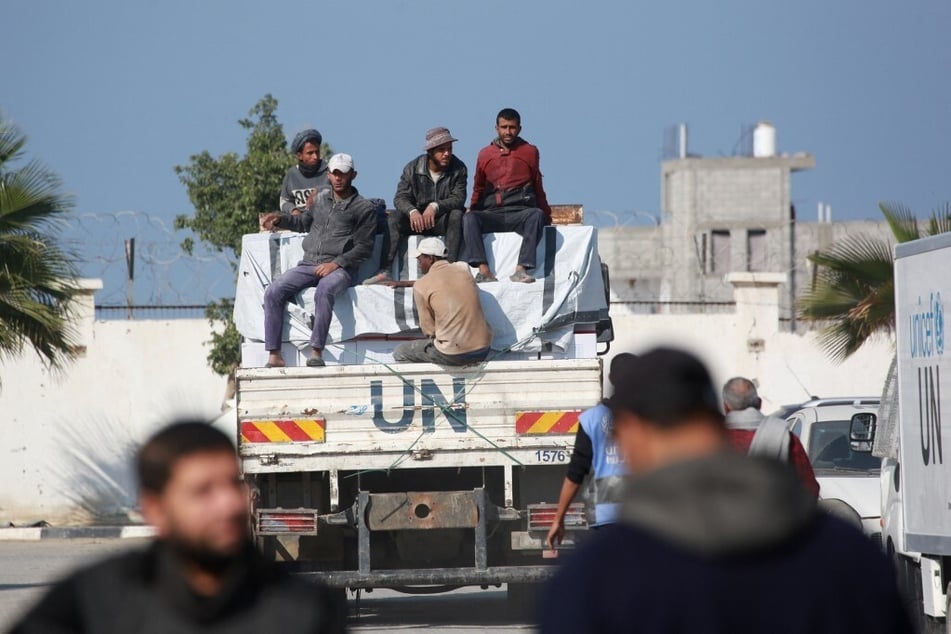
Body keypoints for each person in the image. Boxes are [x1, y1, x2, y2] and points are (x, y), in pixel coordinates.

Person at [539, 347, 910, 634]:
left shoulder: (594, 579)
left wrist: (558, 520)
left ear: (631, 432)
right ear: (715, 417)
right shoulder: (846, 555)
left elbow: (576, 472)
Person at [12, 421, 345, 633]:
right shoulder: (93, 600)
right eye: (203, 492)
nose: (229, 504)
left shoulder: (304, 610)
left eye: (233, 484)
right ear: (155, 509)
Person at [261, 153, 377, 368]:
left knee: (324, 291)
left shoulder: (363, 208)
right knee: (273, 292)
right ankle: (274, 355)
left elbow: (364, 248)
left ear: (353, 175)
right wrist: (281, 218)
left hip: (341, 268)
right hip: (309, 263)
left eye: (343, 173)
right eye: (334, 173)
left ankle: (316, 351)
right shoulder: (320, 198)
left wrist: (336, 264)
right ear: (328, 175)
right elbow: (304, 223)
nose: (338, 178)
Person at [546, 353, 634, 548]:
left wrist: (558, 519)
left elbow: (575, 473)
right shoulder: (652, 418)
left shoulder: (592, 419)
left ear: (610, 379)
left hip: (604, 518)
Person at [363, 127, 466, 285]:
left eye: (449, 149)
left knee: (457, 214)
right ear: (430, 152)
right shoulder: (412, 168)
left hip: (440, 221)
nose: (447, 153)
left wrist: (435, 206)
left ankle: (449, 268)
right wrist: (412, 211)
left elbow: (459, 198)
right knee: (395, 217)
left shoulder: (459, 168)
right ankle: (384, 270)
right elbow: (400, 197)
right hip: (416, 222)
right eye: (441, 150)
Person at [464, 108, 552, 284]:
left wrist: (546, 214)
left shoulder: (530, 151)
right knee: (469, 219)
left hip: (520, 211)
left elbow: (537, 184)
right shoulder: (485, 154)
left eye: (512, 127)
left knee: (536, 215)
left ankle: (521, 270)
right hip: (493, 213)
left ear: (519, 128)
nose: (508, 132)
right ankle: (484, 271)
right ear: (496, 128)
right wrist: (473, 209)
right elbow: (478, 186)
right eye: (504, 127)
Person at [390, 237, 492, 366]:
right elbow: (445, 281)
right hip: (483, 348)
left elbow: (429, 331)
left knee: (400, 352)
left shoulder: (421, 286)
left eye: (420, 259)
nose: (419, 263)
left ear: (431, 258)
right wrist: (405, 283)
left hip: (454, 353)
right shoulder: (463, 268)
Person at [722, 376, 820, 498]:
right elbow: (809, 488)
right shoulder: (784, 436)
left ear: (726, 407)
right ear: (759, 403)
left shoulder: (708, 440)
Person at [279, 129, 328, 215]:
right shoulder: (292, 174)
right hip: (299, 224)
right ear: (299, 156)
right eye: (310, 153)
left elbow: (342, 195)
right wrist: (293, 210)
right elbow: (284, 202)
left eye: (317, 152)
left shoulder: (330, 171)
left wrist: (320, 191)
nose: (315, 156)